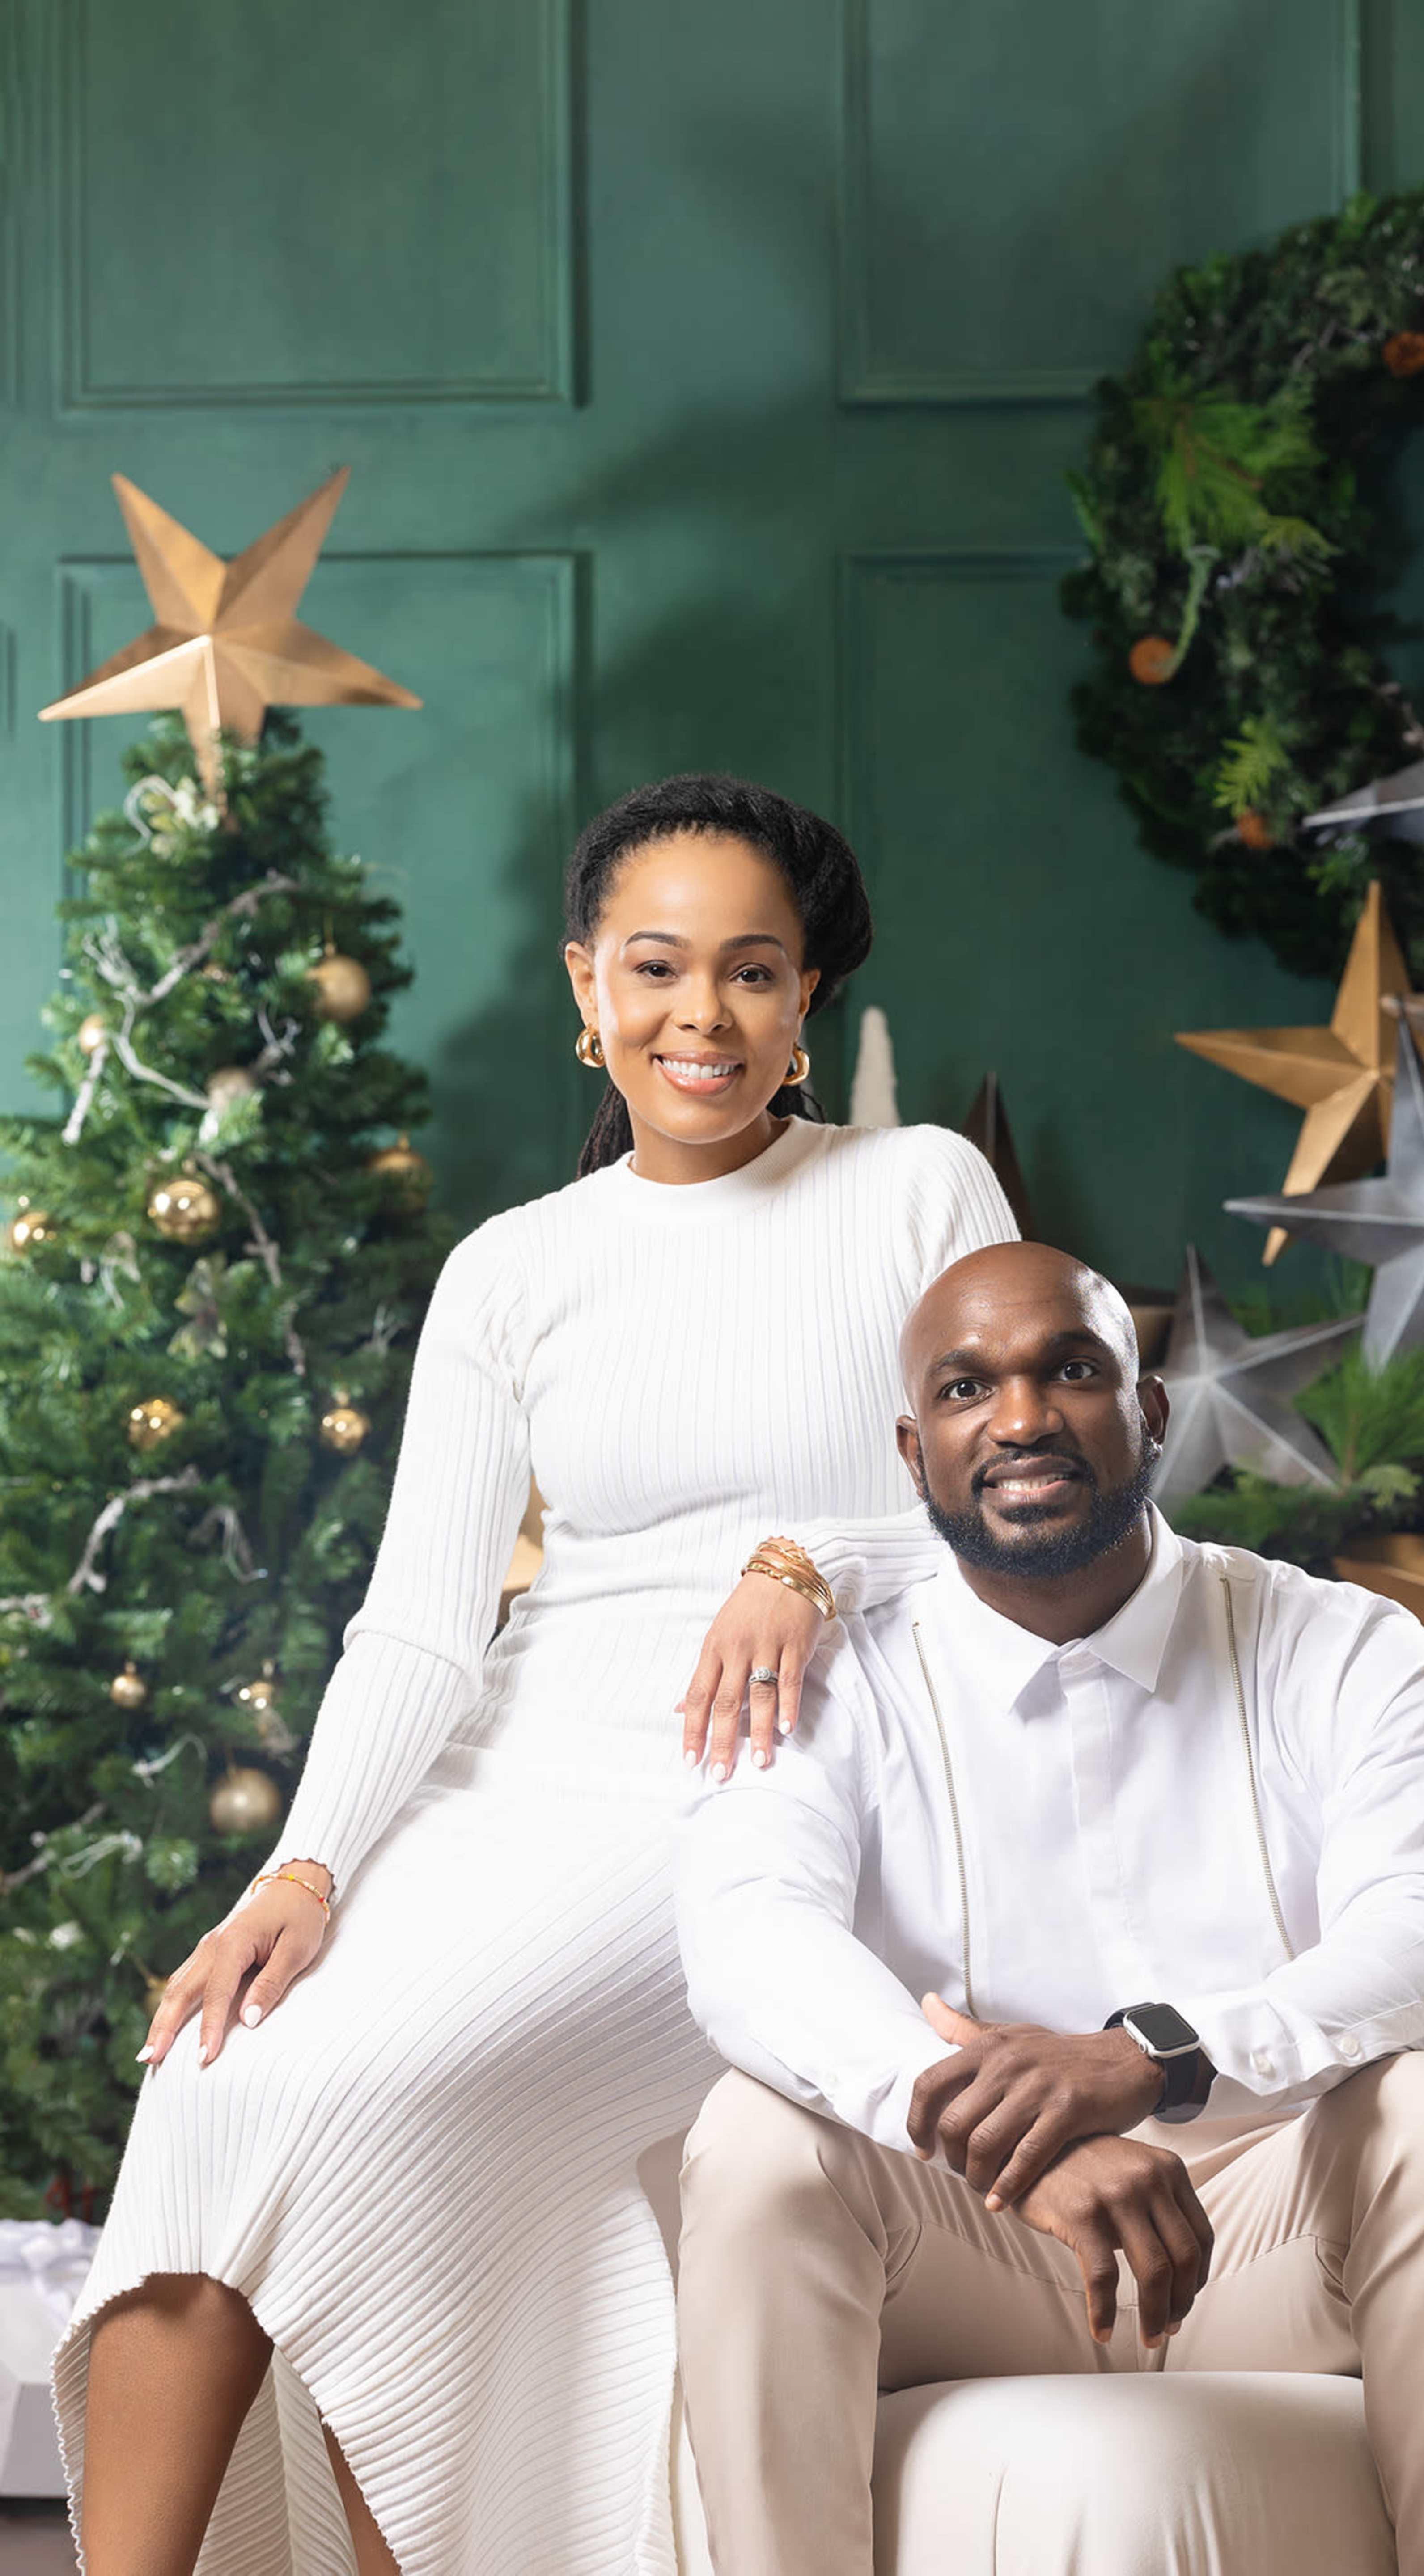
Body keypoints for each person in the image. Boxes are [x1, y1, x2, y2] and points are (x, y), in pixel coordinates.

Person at [55, 774, 1017, 2576]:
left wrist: (814, 1560)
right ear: (588, 987)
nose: (700, 1017)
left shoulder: (916, 1190)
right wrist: (311, 1865)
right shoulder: (515, 1273)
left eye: (751, 972)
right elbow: (425, 1624)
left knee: (393, 2092)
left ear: (806, 1000)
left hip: (759, 1804)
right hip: (517, 1773)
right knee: (209, 2075)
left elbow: (1030, 1490)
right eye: (656, 968)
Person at [675, 1239, 1424, 2576]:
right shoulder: (826, 1681)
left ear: (1147, 1412)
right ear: (914, 1455)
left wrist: (1149, 2058)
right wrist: (1015, 2141)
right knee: (753, 2137)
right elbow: (751, 1939)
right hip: (966, 2245)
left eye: (1070, 1370)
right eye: (970, 1389)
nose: (1023, 1418)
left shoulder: (1350, 1650)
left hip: (1273, 2229)